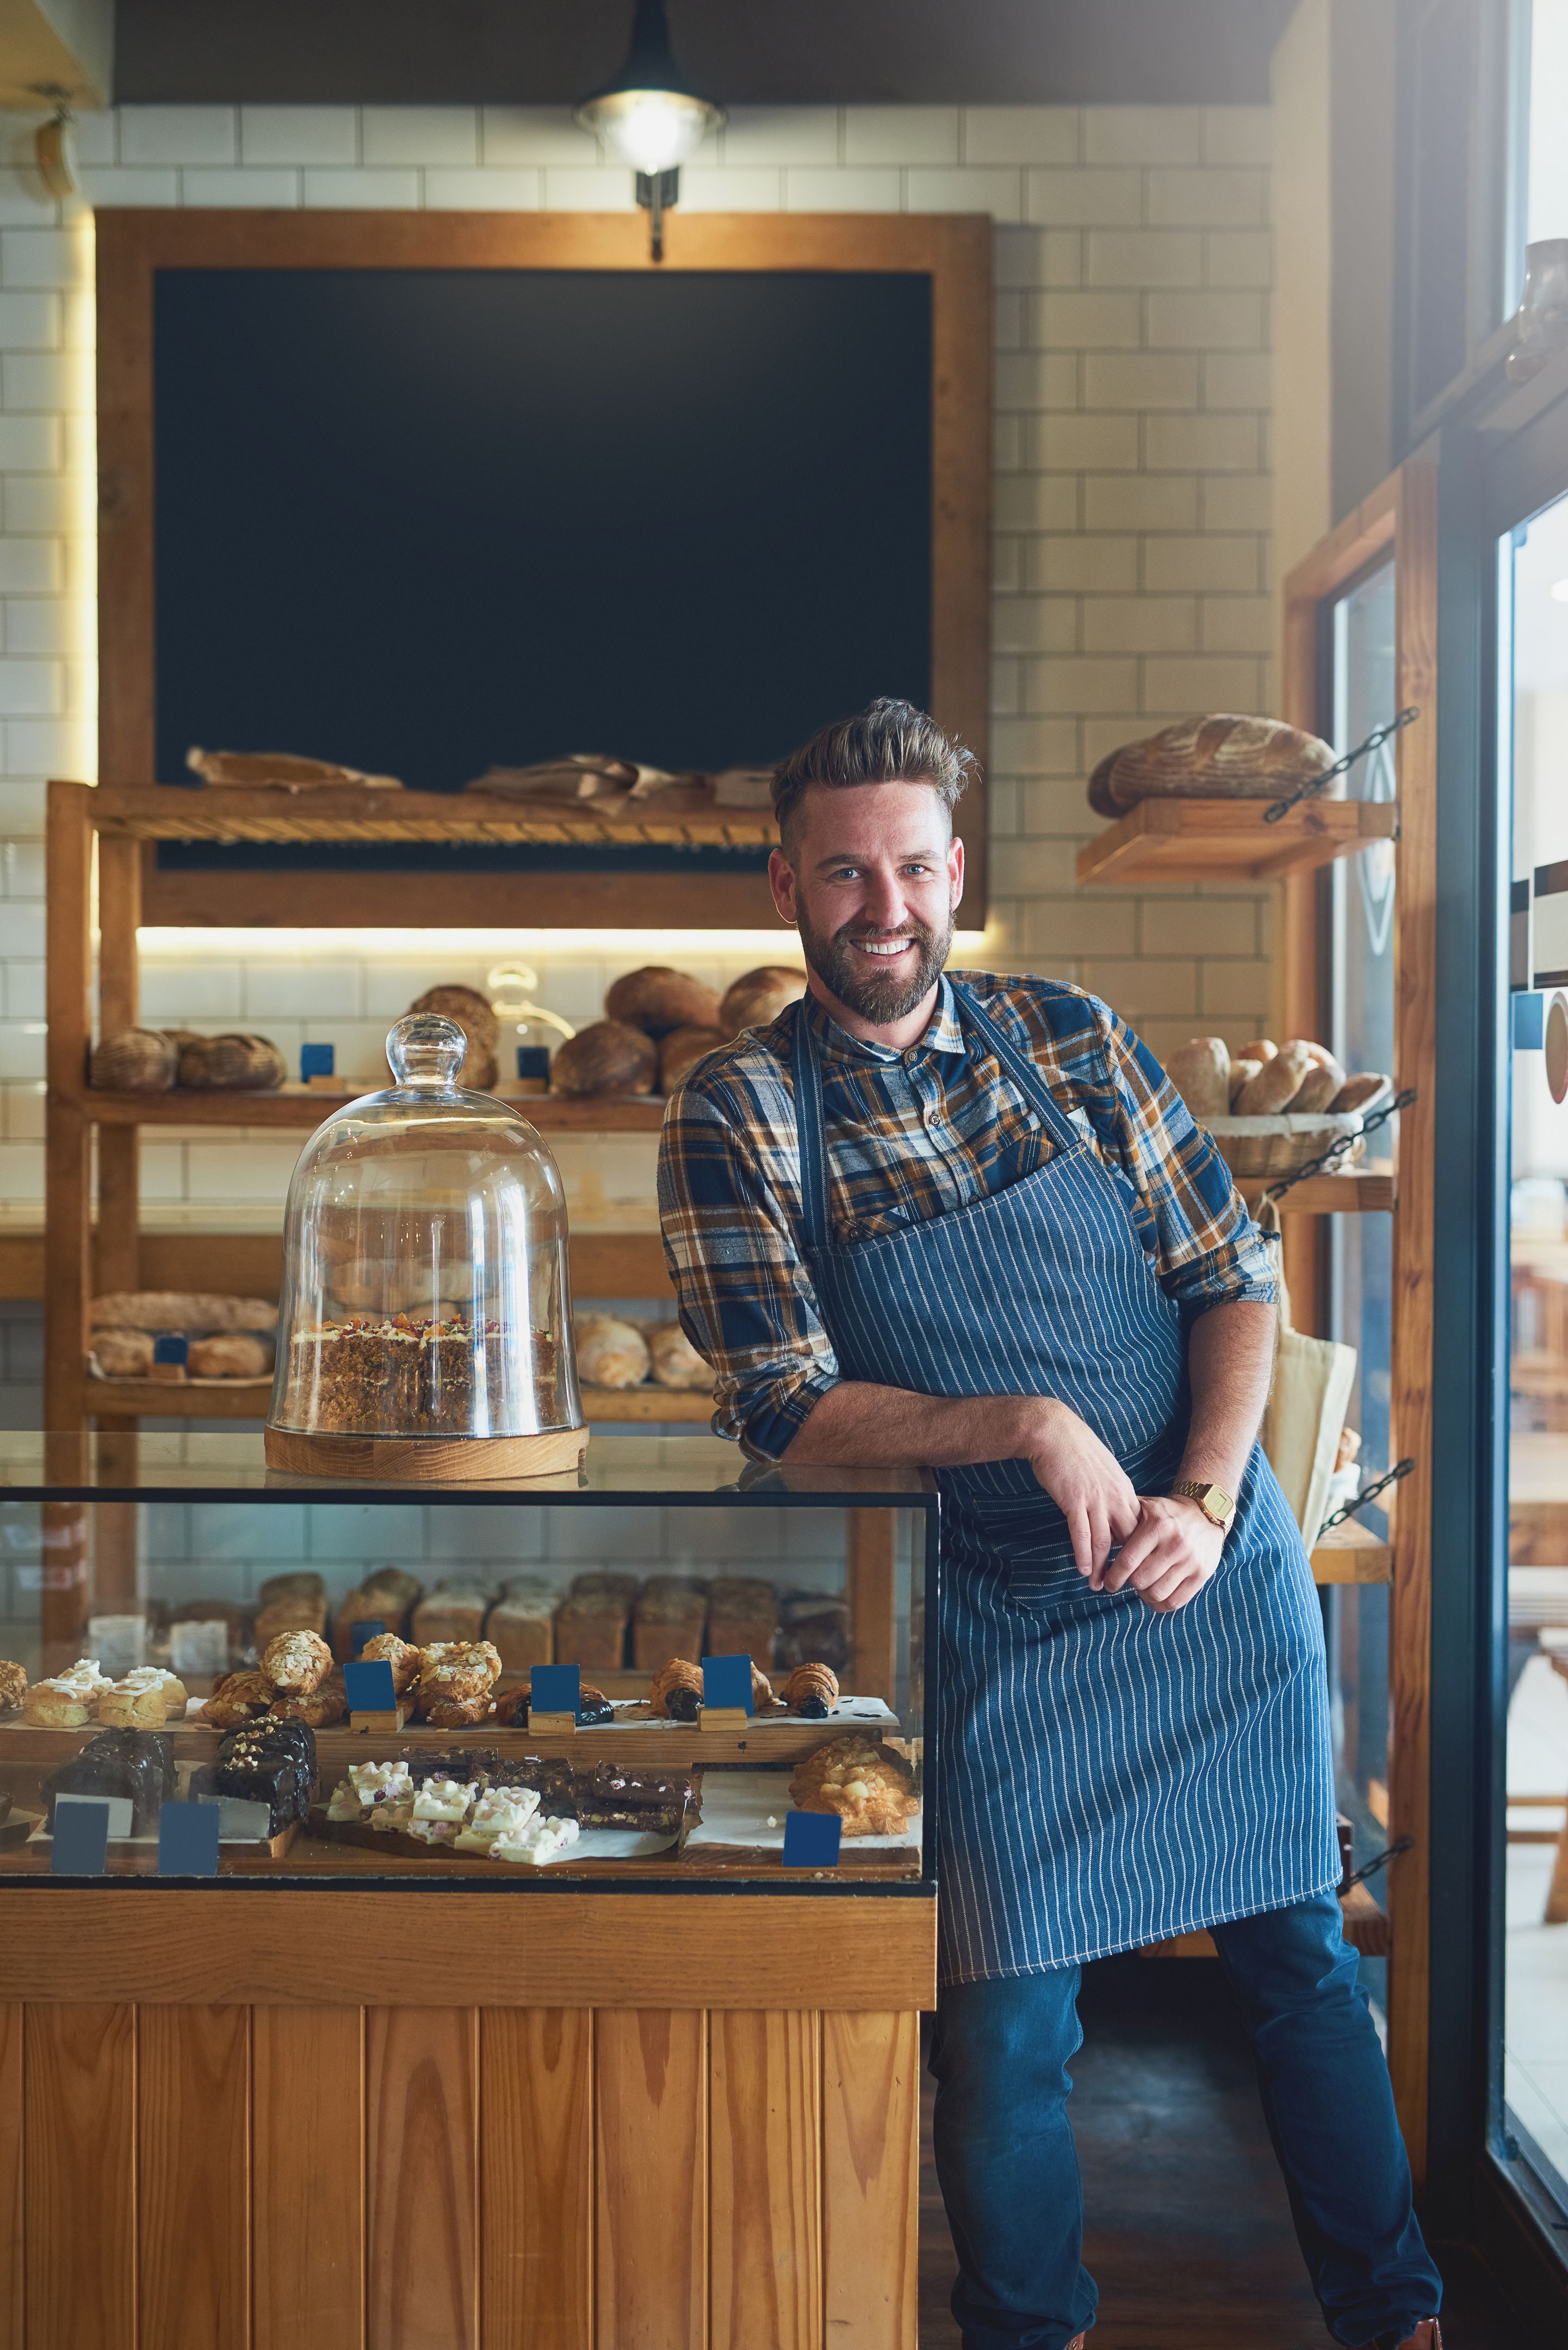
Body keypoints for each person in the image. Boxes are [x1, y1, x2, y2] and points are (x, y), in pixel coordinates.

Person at [656, 699, 1445, 2350]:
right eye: (845, 874)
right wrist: (1020, 1424)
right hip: (1001, 1603)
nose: (884, 908)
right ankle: (1030, 2333)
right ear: (787, 884)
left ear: (958, 872)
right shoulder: (742, 1110)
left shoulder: (1068, 1039)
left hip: (1207, 1571)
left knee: (1301, 1964)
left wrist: (1208, 1500)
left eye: (913, 868)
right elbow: (781, 1403)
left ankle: (1395, 2316)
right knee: (1005, 2023)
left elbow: (1231, 1278)